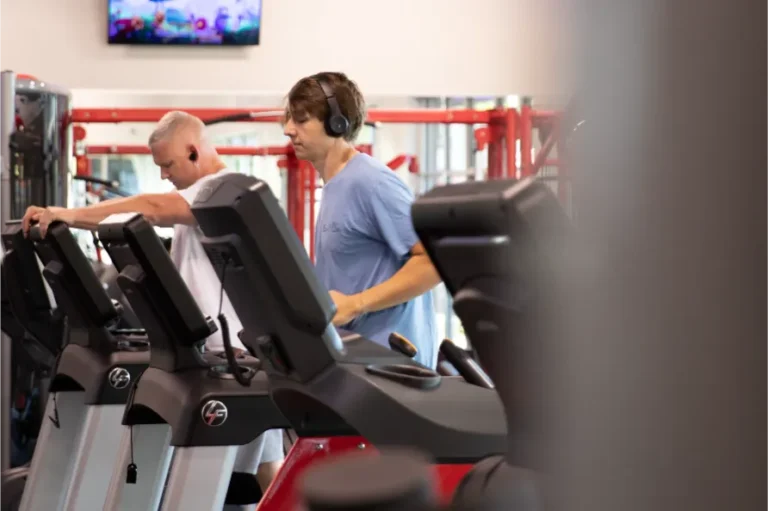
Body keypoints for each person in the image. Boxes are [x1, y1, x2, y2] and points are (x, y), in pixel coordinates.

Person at [20, 111, 283, 493]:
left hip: (237, 356)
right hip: (212, 353)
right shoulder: (203, 196)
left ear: (194, 151)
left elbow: (153, 208)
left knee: (255, 468)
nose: (164, 175)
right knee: (253, 468)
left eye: (167, 165)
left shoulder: (228, 187)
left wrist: (67, 215)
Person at [282, 72, 441, 368]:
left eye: (301, 120)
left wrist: (355, 304)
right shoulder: (335, 186)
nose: (288, 129)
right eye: (289, 119)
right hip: (356, 363)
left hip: (392, 367)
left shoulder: (371, 182)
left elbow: (433, 262)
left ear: (336, 124)